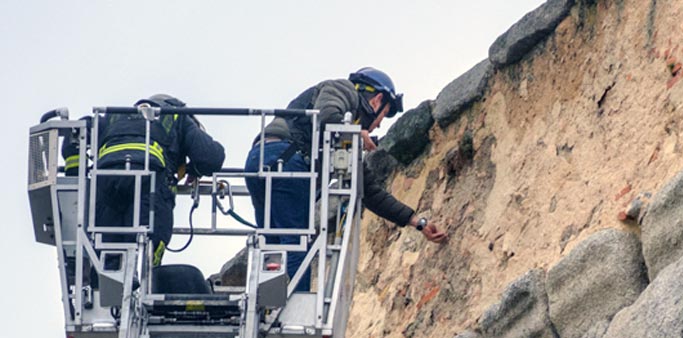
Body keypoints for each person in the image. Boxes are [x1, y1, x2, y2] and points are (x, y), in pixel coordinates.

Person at [244, 67, 447, 291]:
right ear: (377, 100)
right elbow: (328, 113)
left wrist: (417, 223)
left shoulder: (344, 142)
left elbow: (369, 192)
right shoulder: (344, 89)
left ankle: (268, 303)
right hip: (287, 160)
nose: (379, 124)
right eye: (384, 115)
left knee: (272, 243)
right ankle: (293, 304)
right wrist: (354, 132)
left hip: (259, 164)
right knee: (295, 241)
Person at [63, 94, 226, 265]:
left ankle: (98, 274)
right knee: (146, 255)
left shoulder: (113, 116)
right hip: (150, 182)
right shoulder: (177, 116)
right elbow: (212, 157)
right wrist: (194, 170)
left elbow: (74, 133)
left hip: (106, 180)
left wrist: (76, 177)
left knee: (106, 256)